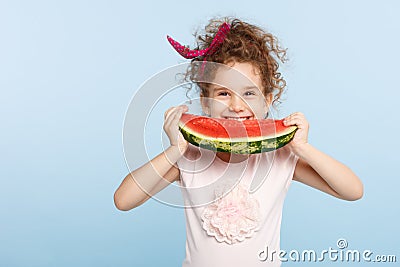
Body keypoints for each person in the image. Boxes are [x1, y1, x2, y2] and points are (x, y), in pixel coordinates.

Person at [114, 17, 363, 267]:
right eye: (223, 93)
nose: (236, 106)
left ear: (267, 100)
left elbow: (352, 191)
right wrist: (174, 150)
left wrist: (303, 148)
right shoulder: (189, 157)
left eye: (249, 93)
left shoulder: (281, 156)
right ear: (205, 102)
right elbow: (123, 200)